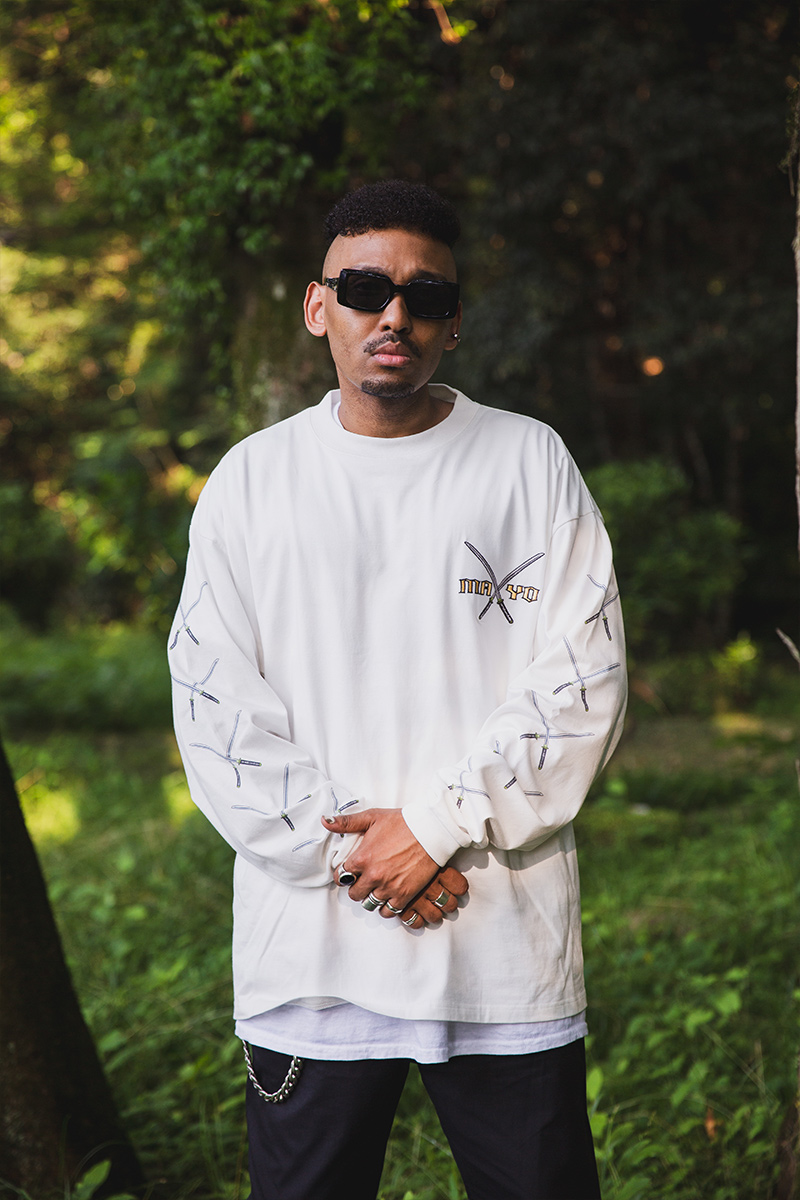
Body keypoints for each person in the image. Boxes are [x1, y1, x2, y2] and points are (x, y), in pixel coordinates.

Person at [169, 179, 627, 1200]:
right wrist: (365, 856)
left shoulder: (529, 462)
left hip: (502, 957)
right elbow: (213, 706)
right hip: (312, 966)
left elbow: (583, 683)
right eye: (365, 288)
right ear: (316, 305)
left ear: (453, 322)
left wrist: (433, 827)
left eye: (425, 296)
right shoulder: (251, 482)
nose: (394, 316)